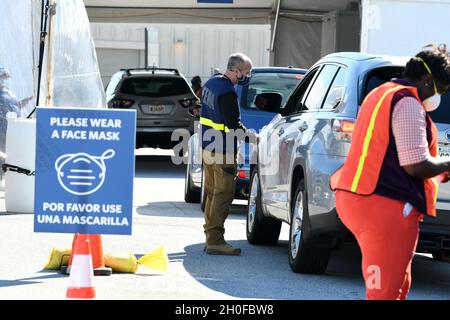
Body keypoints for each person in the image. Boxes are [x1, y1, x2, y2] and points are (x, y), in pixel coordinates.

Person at [330, 44, 450, 300]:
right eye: (442, 88)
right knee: (385, 294)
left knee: (394, 285)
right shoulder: (408, 103)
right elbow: (415, 165)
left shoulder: (380, 92)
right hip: (384, 206)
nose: (440, 96)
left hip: (356, 197)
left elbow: (390, 155)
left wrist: (442, 171)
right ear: (428, 80)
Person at [200, 53, 254, 255]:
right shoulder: (228, 92)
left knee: (212, 194)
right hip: (223, 150)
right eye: (246, 72)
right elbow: (233, 125)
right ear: (235, 70)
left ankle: (210, 238)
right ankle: (215, 241)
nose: (247, 76)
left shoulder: (212, 83)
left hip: (207, 147)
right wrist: (254, 138)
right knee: (223, 195)